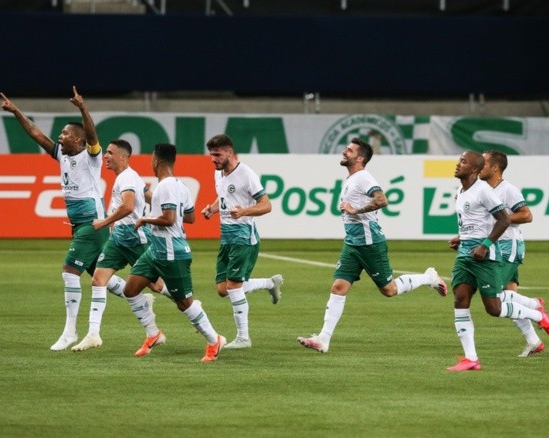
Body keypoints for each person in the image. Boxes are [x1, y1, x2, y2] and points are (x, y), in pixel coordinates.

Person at [0, 87, 125, 351]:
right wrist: (16, 111)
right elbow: (37, 133)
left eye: (66, 133)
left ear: (78, 141)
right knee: (103, 277)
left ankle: (69, 332)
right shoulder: (62, 155)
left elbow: (92, 134)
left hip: (93, 222)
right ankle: (149, 303)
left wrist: (82, 108)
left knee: (70, 270)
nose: (61, 136)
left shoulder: (90, 157)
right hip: (80, 224)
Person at [297, 138, 447, 354]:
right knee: (338, 287)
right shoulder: (351, 179)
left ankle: (429, 277)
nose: (344, 152)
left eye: (349, 150)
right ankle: (323, 339)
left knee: (389, 290)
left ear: (360, 158)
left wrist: (354, 210)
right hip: (352, 244)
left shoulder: (363, 178)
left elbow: (382, 200)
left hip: (370, 244)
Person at [446, 151, 549, 371]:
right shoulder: (462, 190)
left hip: (502, 249)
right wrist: (465, 237)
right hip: (471, 252)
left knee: (496, 304)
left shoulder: (501, 190)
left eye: (464, 161)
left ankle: (536, 310)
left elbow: (520, 216)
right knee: (462, 299)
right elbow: (475, 220)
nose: (458, 164)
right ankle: (474, 357)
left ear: (484, 167)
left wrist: (485, 242)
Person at [122, 143, 225, 362]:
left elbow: (169, 219)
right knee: (130, 289)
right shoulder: (181, 186)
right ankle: (153, 334)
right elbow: (189, 217)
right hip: (156, 251)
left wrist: (145, 219)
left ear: (156, 161)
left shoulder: (166, 186)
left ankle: (214, 339)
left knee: (184, 304)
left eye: (151, 159)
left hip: (172, 253)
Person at [71, 139, 168, 352]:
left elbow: (128, 206)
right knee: (98, 280)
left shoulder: (127, 177)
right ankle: (93, 334)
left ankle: (189, 304)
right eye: (106, 152)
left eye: (110, 152)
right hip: (118, 240)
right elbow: (150, 196)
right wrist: (161, 212)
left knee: (157, 286)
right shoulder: (129, 178)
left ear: (123, 157)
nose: (105, 156)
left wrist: (104, 222)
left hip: (136, 239)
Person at [201, 134, 283, 350]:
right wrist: (212, 208)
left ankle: (243, 337)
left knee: (234, 285)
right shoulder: (218, 173)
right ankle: (269, 283)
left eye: (217, 155)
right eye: (211, 155)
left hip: (244, 235)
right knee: (222, 289)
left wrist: (245, 211)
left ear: (229, 152)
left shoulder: (246, 174)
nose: (213, 159)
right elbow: (224, 198)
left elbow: (266, 205)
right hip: (226, 235)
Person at [479, 150, 546, 357]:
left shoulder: (508, 190)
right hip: (496, 247)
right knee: (510, 299)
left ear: (495, 167)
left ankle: (535, 305)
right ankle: (534, 342)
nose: (480, 166)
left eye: (484, 163)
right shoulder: (483, 189)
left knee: (496, 296)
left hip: (508, 247)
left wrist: (503, 218)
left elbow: (527, 215)